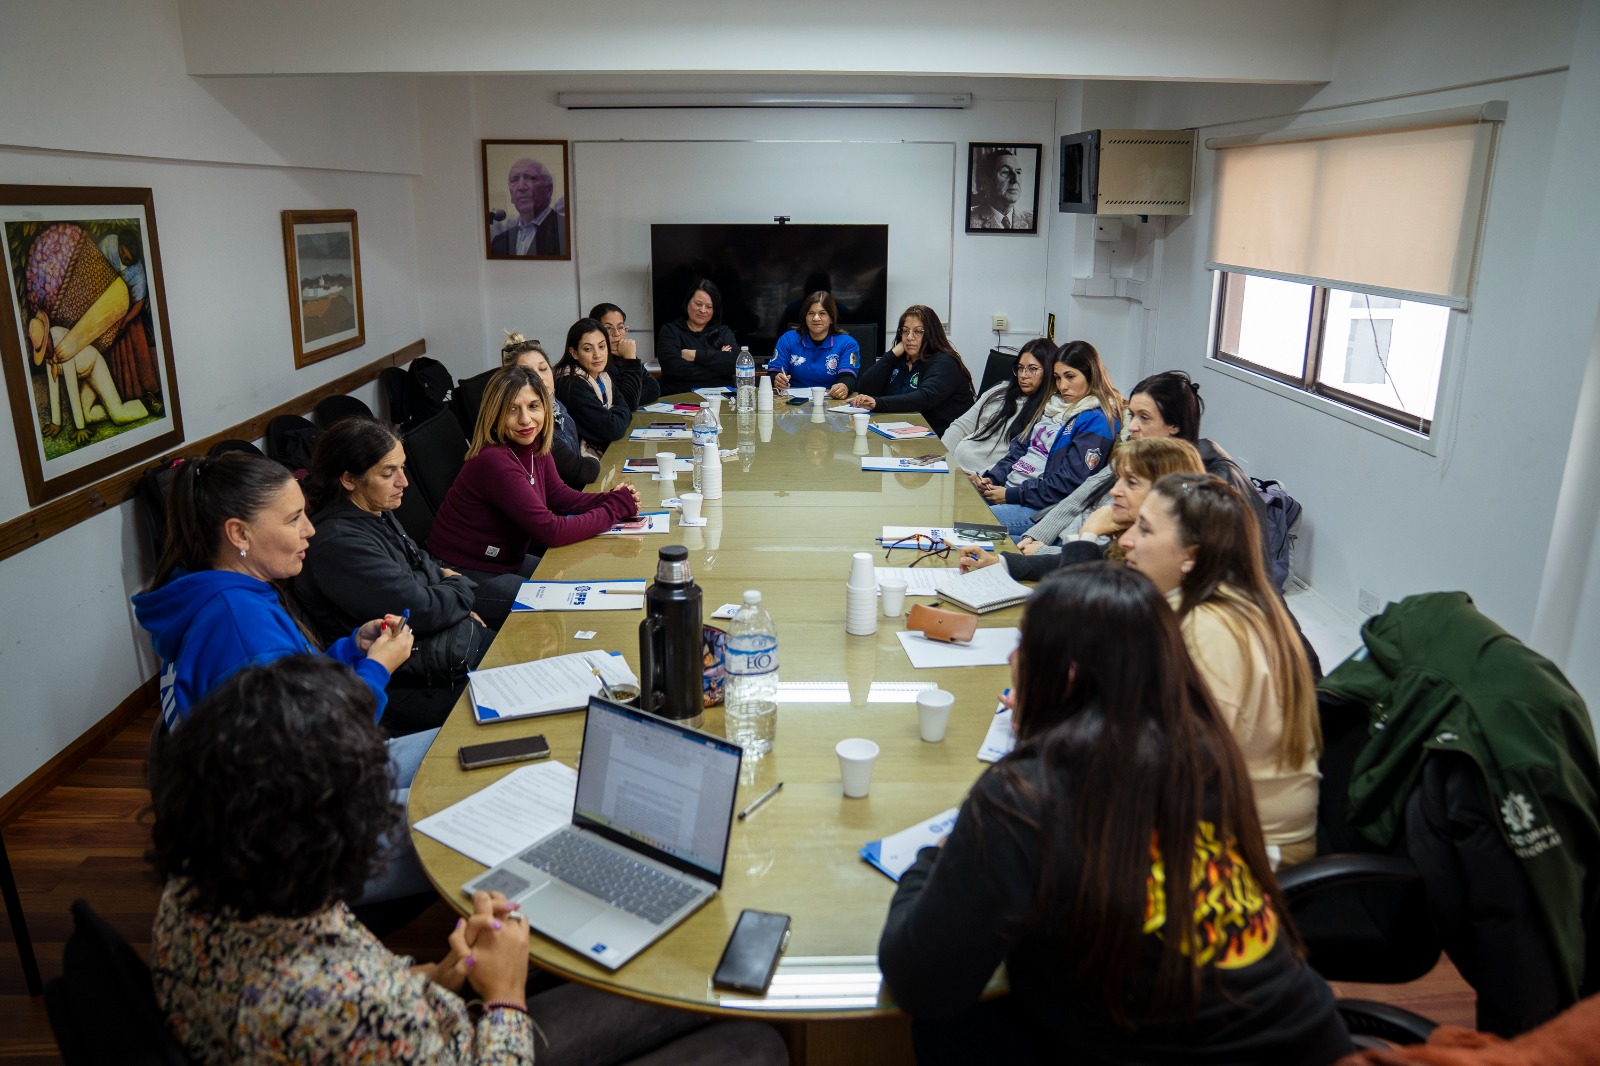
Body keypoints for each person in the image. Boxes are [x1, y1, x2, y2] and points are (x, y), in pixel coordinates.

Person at [149, 657, 790, 1066]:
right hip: (462, 1048)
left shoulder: (198, 888)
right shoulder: (347, 1004)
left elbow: (361, 991)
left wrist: (438, 975)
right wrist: (504, 996)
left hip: (408, 1030)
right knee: (749, 1041)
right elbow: (376, 1014)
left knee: (668, 979)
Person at [877, 564, 1352, 1065]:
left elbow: (918, 982)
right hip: (1314, 1038)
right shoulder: (1201, 755)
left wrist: (934, 856)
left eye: (1023, 646)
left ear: (1067, 675)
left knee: (946, 1022)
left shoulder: (1025, 797)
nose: (1014, 660)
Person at [1120, 472, 1322, 864]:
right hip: (1218, 820)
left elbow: (1180, 765)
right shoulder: (1202, 602)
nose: (1126, 540)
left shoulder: (1211, 628)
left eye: (1144, 529)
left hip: (1251, 851)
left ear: (1191, 556)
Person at [132, 451, 413, 730]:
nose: (310, 529)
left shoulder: (221, 594)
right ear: (240, 534)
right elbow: (322, 740)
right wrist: (378, 668)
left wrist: (353, 649)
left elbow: (293, 688)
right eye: (293, 519)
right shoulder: (239, 626)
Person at [295, 417, 520, 736]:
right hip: (404, 680)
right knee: (516, 686)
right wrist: (458, 591)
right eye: (388, 473)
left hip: (430, 648)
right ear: (348, 479)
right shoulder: (339, 543)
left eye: (402, 468)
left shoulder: (373, 511)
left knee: (524, 647)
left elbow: (422, 563)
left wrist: (448, 594)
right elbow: (418, 609)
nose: (404, 482)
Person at [428, 366, 640, 579]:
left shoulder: (533, 442)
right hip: (461, 569)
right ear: (495, 413)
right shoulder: (495, 460)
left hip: (504, 561)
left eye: (533, 406)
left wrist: (610, 498)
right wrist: (614, 509)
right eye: (512, 409)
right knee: (556, 594)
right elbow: (552, 531)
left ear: (545, 407)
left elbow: (558, 495)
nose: (525, 419)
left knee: (574, 578)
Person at [961, 436, 1204, 580]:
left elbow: (1077, 593)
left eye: (1131, 482)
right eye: (1118, 480)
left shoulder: (1159, 555)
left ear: (1166, 491)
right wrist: (998, 563)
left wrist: (1088, 534)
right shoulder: (1128, 537)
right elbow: (1062, 563)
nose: (1114, 491)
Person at [968, 339, 1121, 539]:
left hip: (1040, 507)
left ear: (1091, 375)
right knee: (958, 503)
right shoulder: (1053, 405)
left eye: (1070, 377)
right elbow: (1018, 451)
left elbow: (1068, 484)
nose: (1062, 386)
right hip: (1011, 490)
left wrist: (1011, 495)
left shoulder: (1097, 420)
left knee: (971, 522)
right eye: (1057, 378)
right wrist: (992, 478)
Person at [1125, 369, 1270, 534]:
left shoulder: (1206, 488)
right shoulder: (1139, 456)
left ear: (1174, 426)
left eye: (1144, 418)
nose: (1132, 427)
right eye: (1131, 416)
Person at [850, 305, 976, 437]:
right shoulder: (900, 360)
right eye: (905, 331)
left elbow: (923, 398)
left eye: (918, 331)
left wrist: (878, 403)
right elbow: (865, 388)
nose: (910, 337)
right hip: (905, 432)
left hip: (943, 437)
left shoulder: (944, 363)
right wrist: (891, 355)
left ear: (931, 334)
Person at [938, 338, 1056, 474]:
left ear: (1049, 371)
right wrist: (941, 459)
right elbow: (961, 426)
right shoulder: (999, 391)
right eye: (1020, 368)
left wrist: (983, 477)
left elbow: (1018, 460)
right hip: (953, 468)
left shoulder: (1048, 411)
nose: (1023, 375)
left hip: (983, 479)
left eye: (1032, 369)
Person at [500, 333, 599, 488]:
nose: (539, 378)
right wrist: (592, 455)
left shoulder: (557, 406)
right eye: (527, 373)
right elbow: (581, 472)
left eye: (543, 369)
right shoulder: (529, 425)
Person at [551, 317, 649, 458]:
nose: (597, 355)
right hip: (581, 461)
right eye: (588, 349)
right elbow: (612, 429)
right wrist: (615, 412)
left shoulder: (602, 376)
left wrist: (614, 413)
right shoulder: (571, 384)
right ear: (574, 353)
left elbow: (627, 406)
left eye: (602, 346)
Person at [766, 290, 861, 398]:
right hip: (793, 401)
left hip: (832, 400)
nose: (816, 318)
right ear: (805, 317)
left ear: (831, 318)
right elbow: (773, 373)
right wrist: (776, 379)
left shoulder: (848, 343)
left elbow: (848, 377)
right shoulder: (787, 339)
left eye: (822, 313)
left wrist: (844, 386)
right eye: (811, 313)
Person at [656, 280, 739, 395]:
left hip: (721, 399)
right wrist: (720, 366)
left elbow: (736, 363)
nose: (703, 310)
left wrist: (695, 355)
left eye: (709, 306)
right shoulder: (670, 331)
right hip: (680, 398)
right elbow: (673, 369)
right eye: (698, 304)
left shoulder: (723, 332)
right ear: (688, 302)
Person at [489, 156, 565, 257]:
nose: (521, 187)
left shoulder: (566, 231)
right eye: (514, 180)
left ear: (549, 190)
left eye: (530, 178)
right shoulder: (499, 243)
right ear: (511, 195)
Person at [589, 301, 661, 408]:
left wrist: (634, 398)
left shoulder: (624, 353)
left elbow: (654, 388)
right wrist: (630, 359)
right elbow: (629, 402)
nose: (616, 334)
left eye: (620, 327)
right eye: (608, 328)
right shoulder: (596, 360)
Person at [967, 146, 1034, 231]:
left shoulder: (1032, 220)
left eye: (1018, 172)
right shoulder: (969, 219)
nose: (1015, 179)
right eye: (1005, 172)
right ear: (985, 180)